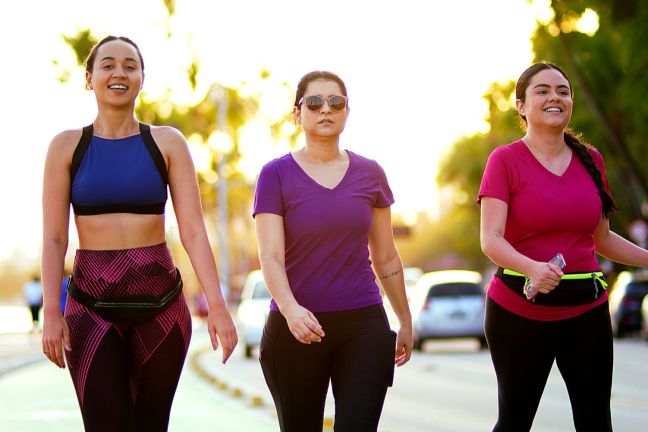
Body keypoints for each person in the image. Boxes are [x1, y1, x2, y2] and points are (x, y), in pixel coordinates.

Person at [41, 35, 237, 431]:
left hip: (162, 308)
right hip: (90, 311)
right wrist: (51, 311)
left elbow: (194, 232)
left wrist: (217, 304)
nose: (119, 72)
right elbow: (54, 239)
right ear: (90, 77)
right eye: (108, 64)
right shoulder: (66, 147)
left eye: (130, 65)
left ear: (142, 78)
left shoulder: (166, 143)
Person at [478, 62, 648, 432]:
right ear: (521, 105)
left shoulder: (592, 160)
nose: (554, 97)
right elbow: (490, 239)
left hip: (587, 310)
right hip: (518, 310)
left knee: (596, 423)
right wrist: (533, 268)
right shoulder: (504, 160)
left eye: (562, 91)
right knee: (514, 422)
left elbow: (601, 239)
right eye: (543, 90)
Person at [253, 70, 413, 432]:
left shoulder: (370, 173)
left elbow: (386, 255)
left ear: (346, 111)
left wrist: (404, 319)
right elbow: (270, 257)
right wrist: (292, 311)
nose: (325, 109)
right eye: (314, 102)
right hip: (296, 327)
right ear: (298, 114)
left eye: (335, 102)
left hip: (363, 324)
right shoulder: (275, 175)